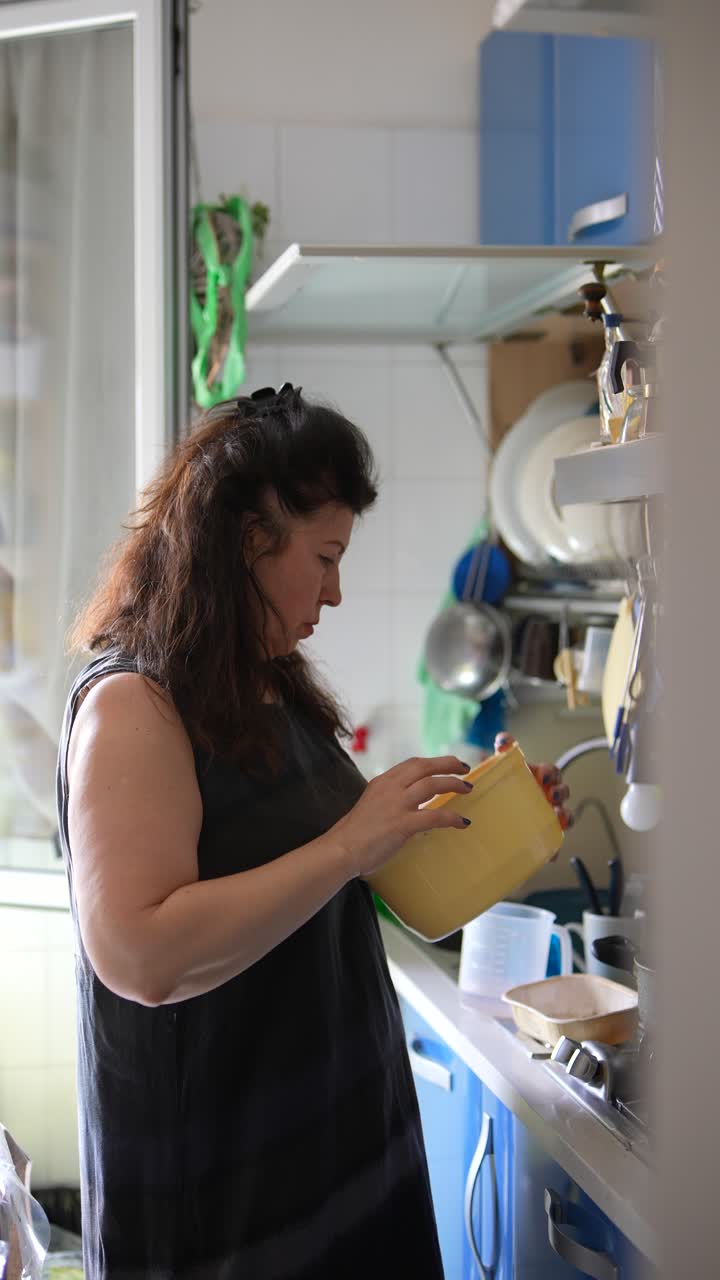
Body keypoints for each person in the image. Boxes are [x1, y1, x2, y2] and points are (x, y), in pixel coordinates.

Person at [57, 383, 571, 1280]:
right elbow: (140, 956)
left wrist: (501, 825)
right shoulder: (135, 703)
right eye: (325, 557)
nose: (335, 592)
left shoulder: (269, 683)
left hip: (340, 1152)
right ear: (248, 540)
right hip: (223, 1198)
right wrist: (348, 844)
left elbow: (361, 889)